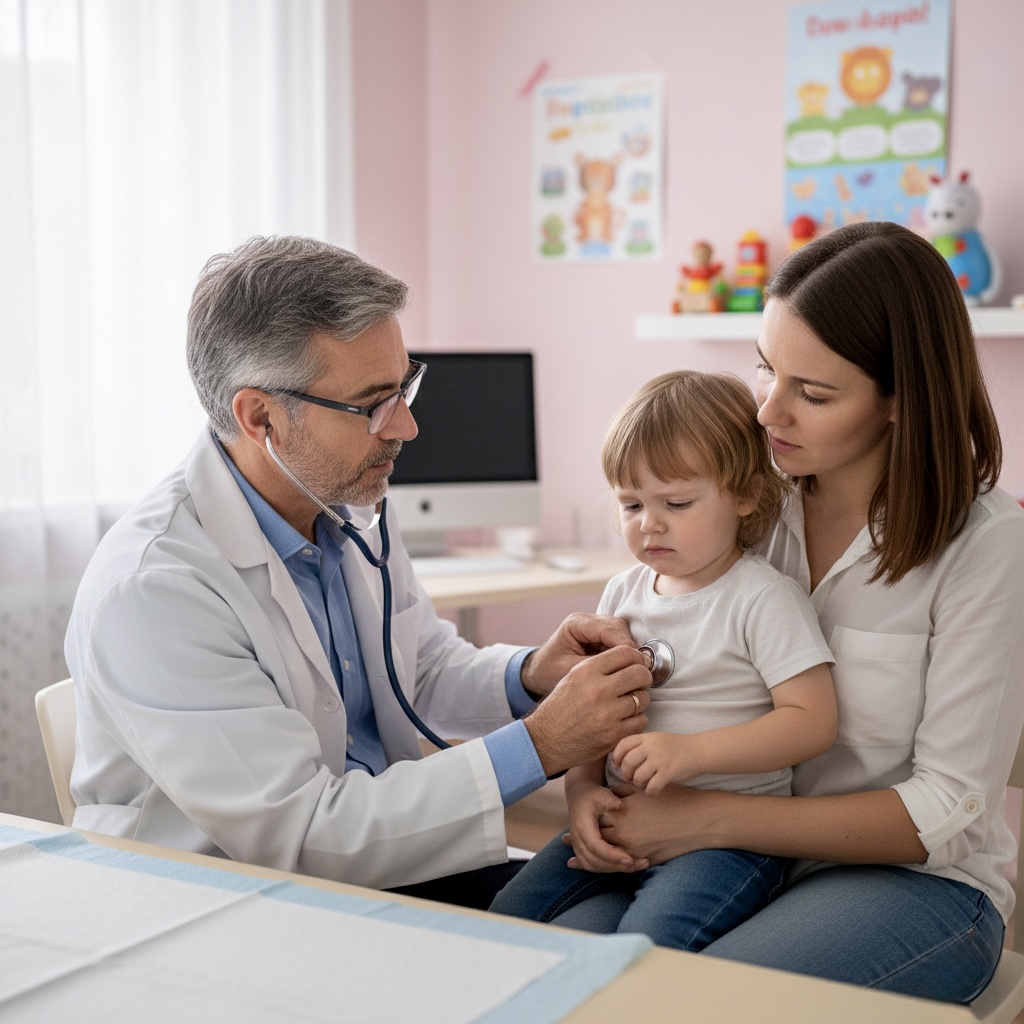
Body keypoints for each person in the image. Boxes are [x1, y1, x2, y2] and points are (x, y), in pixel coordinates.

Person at [64, 235, 655, 908]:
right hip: (225, 904)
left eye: (405, 388)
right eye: (373, 403)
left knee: (619, 898)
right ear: (260, 418)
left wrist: (529, 676)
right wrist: (543, 745)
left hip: (376, 863)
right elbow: (302, 833)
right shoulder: (155, 590)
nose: (405, 428)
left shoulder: (346, 500)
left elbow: (416, 667)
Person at [528, 221, 1024, 1006]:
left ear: (901, 400)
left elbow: (945, 808)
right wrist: (589, 791)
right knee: (543, 969)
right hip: (723, 859)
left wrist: (708, 820)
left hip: (916, 884)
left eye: (813, 393)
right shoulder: (746, 499)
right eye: (766, 370)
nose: (767, 414)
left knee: (661, 997)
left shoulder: (985, 544)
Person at [490, 371, 837, 948]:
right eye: (630, 503)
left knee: (650, 944)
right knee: (504, 916)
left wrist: (695, 752)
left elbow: (812, 720)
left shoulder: (762, 598)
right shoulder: (622, 596)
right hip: (619, 818)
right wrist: (580, 796)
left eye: (676, 502)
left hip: (729, 843)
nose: (649, 523)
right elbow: (590, 718)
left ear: (746, 495)